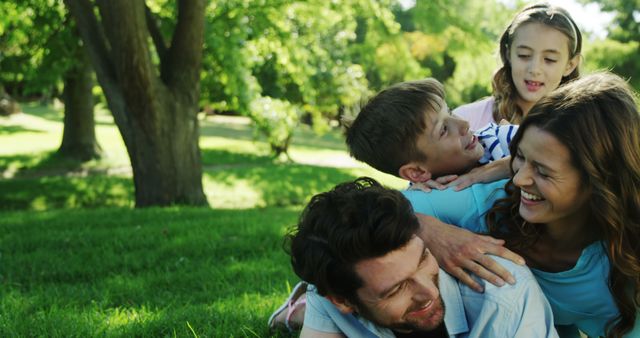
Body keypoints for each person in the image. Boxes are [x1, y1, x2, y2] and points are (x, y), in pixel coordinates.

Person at [268, 77, 523, 331]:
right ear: (417, 173)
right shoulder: (418, 197)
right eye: (444, 129)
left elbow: (551, 149)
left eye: (451, 114)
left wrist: (498, 168)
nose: (465, 124)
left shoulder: (496, 141)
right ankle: (302, 309)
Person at [405, 72, 640, 337]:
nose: (519, 178)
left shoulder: (626, 259)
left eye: (542, 171)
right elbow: (363, 209)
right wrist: (428, 230)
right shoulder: (493, 199)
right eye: (519, 157)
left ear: (599, 181)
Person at [288, 177, 558, 337]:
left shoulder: (504, 298)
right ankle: (294, 313)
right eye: (397, 288)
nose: (427, 291)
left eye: (423, 259)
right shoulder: (331, 290)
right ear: (342, 301)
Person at [454, 2, 581, 130]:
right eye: (524, 55)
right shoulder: (464, 121)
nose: (534, 69)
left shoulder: (582, 132)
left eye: (549, 59)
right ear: (509, 54)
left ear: (570, 65)